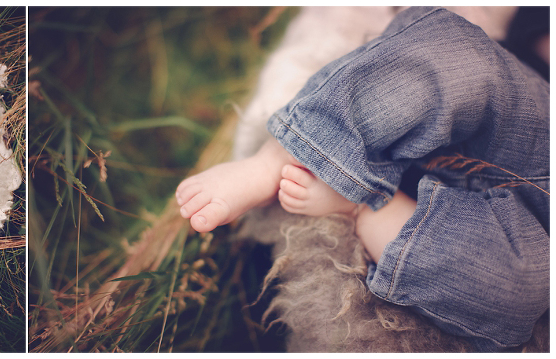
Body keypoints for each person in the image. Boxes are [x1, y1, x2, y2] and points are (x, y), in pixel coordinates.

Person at [176, 7, 548, 351]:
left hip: (536, 239)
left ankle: (366, 208)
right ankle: (286, 152)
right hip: (533, 123)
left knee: (521, 290)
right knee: (462, 55)